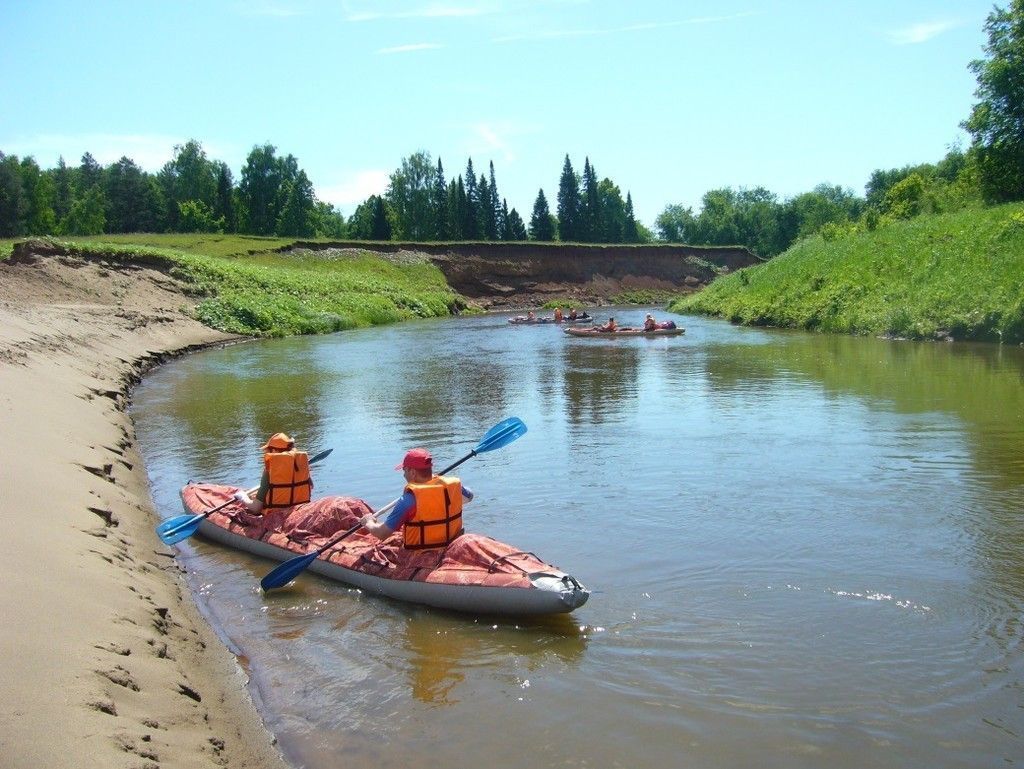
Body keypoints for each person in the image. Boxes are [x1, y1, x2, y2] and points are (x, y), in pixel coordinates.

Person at [361, 448, 474, 549]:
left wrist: (368, 522)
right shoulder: (454, 487)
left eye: (404, 470)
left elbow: (382, 533)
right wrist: (438, 483)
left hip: (421, 551)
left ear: (413, 472)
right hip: (450, 545)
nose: (403, 475)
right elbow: (470, 496)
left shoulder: (407, 500)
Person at [234, 433, 312, 514]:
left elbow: (256, 508)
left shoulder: (270, 470)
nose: (266, 452)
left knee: (252, 499)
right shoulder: (302, 466)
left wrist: (243, 498)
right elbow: (310, 487)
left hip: (275, 514)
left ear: (274, 450)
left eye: (268, 450)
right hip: (299, 510)